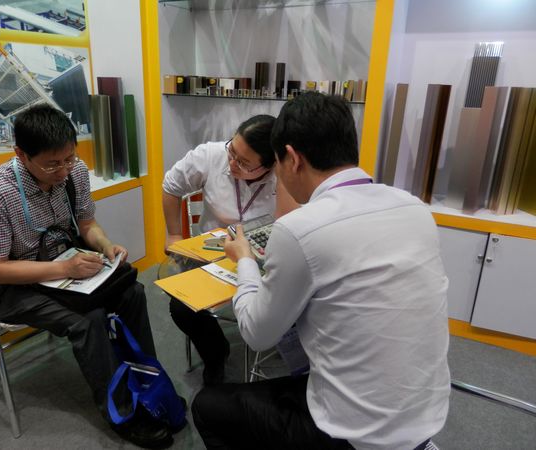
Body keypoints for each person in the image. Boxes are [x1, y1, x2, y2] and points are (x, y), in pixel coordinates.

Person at [192, 92, 451, 450]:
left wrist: (245, 260)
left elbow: (255, 334)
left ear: (293, 159)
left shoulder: (301, 229)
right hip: (425, 417)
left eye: (277, 165)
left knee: (207, 406)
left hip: (355, 433)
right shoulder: (414, 209)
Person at [0, 105, 176, 449]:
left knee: (132, 293)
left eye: (69, 158)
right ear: (21, 154)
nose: (64, 170)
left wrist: (106, 246)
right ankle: (123, 413)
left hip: (67, 267)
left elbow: (86, 225)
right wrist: (64, 269)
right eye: (52, 164)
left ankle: (148, 385)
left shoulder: (74, 171)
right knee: (88, 321)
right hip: (16, 288)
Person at [162, 114, 297, 386]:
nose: (232, 163)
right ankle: (216, 354)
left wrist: (283, 178)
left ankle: (281, 350)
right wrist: (174, 234)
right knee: (181, 306)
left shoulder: (284, 176)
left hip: (263, 256)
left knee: (294, 295)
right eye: (232, 151)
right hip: (213, 254)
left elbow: (288, 220)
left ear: (271, 165)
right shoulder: (210, 155)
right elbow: (171, 186)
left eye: (244, 163)